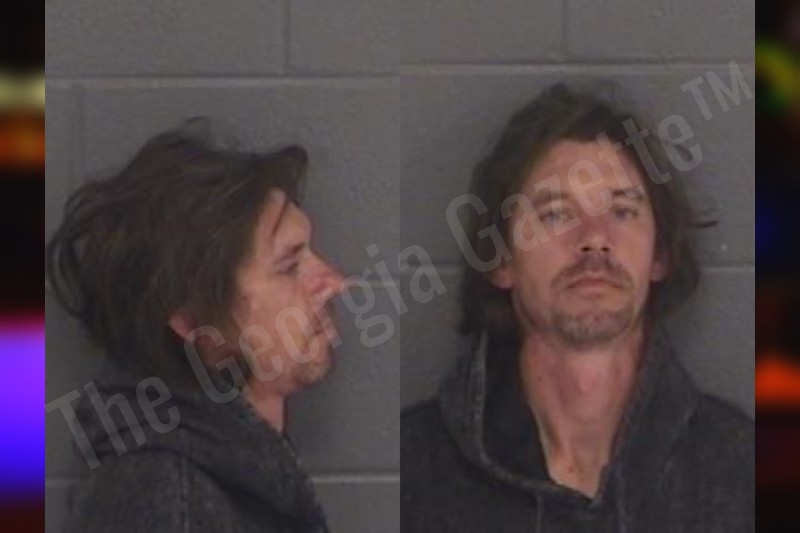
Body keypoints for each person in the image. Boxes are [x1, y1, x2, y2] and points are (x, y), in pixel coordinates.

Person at [401, 84, 754, 532]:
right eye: (556, 213)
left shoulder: (740, 469)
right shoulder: (415, 471)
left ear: (660, 254)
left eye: (622, 211)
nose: (594, 238)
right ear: (501, 259)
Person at [46, 120, 346, 533]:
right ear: (192, 318)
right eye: (289, 265)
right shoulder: (164, 504)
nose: (334, 282)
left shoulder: (211, 479)